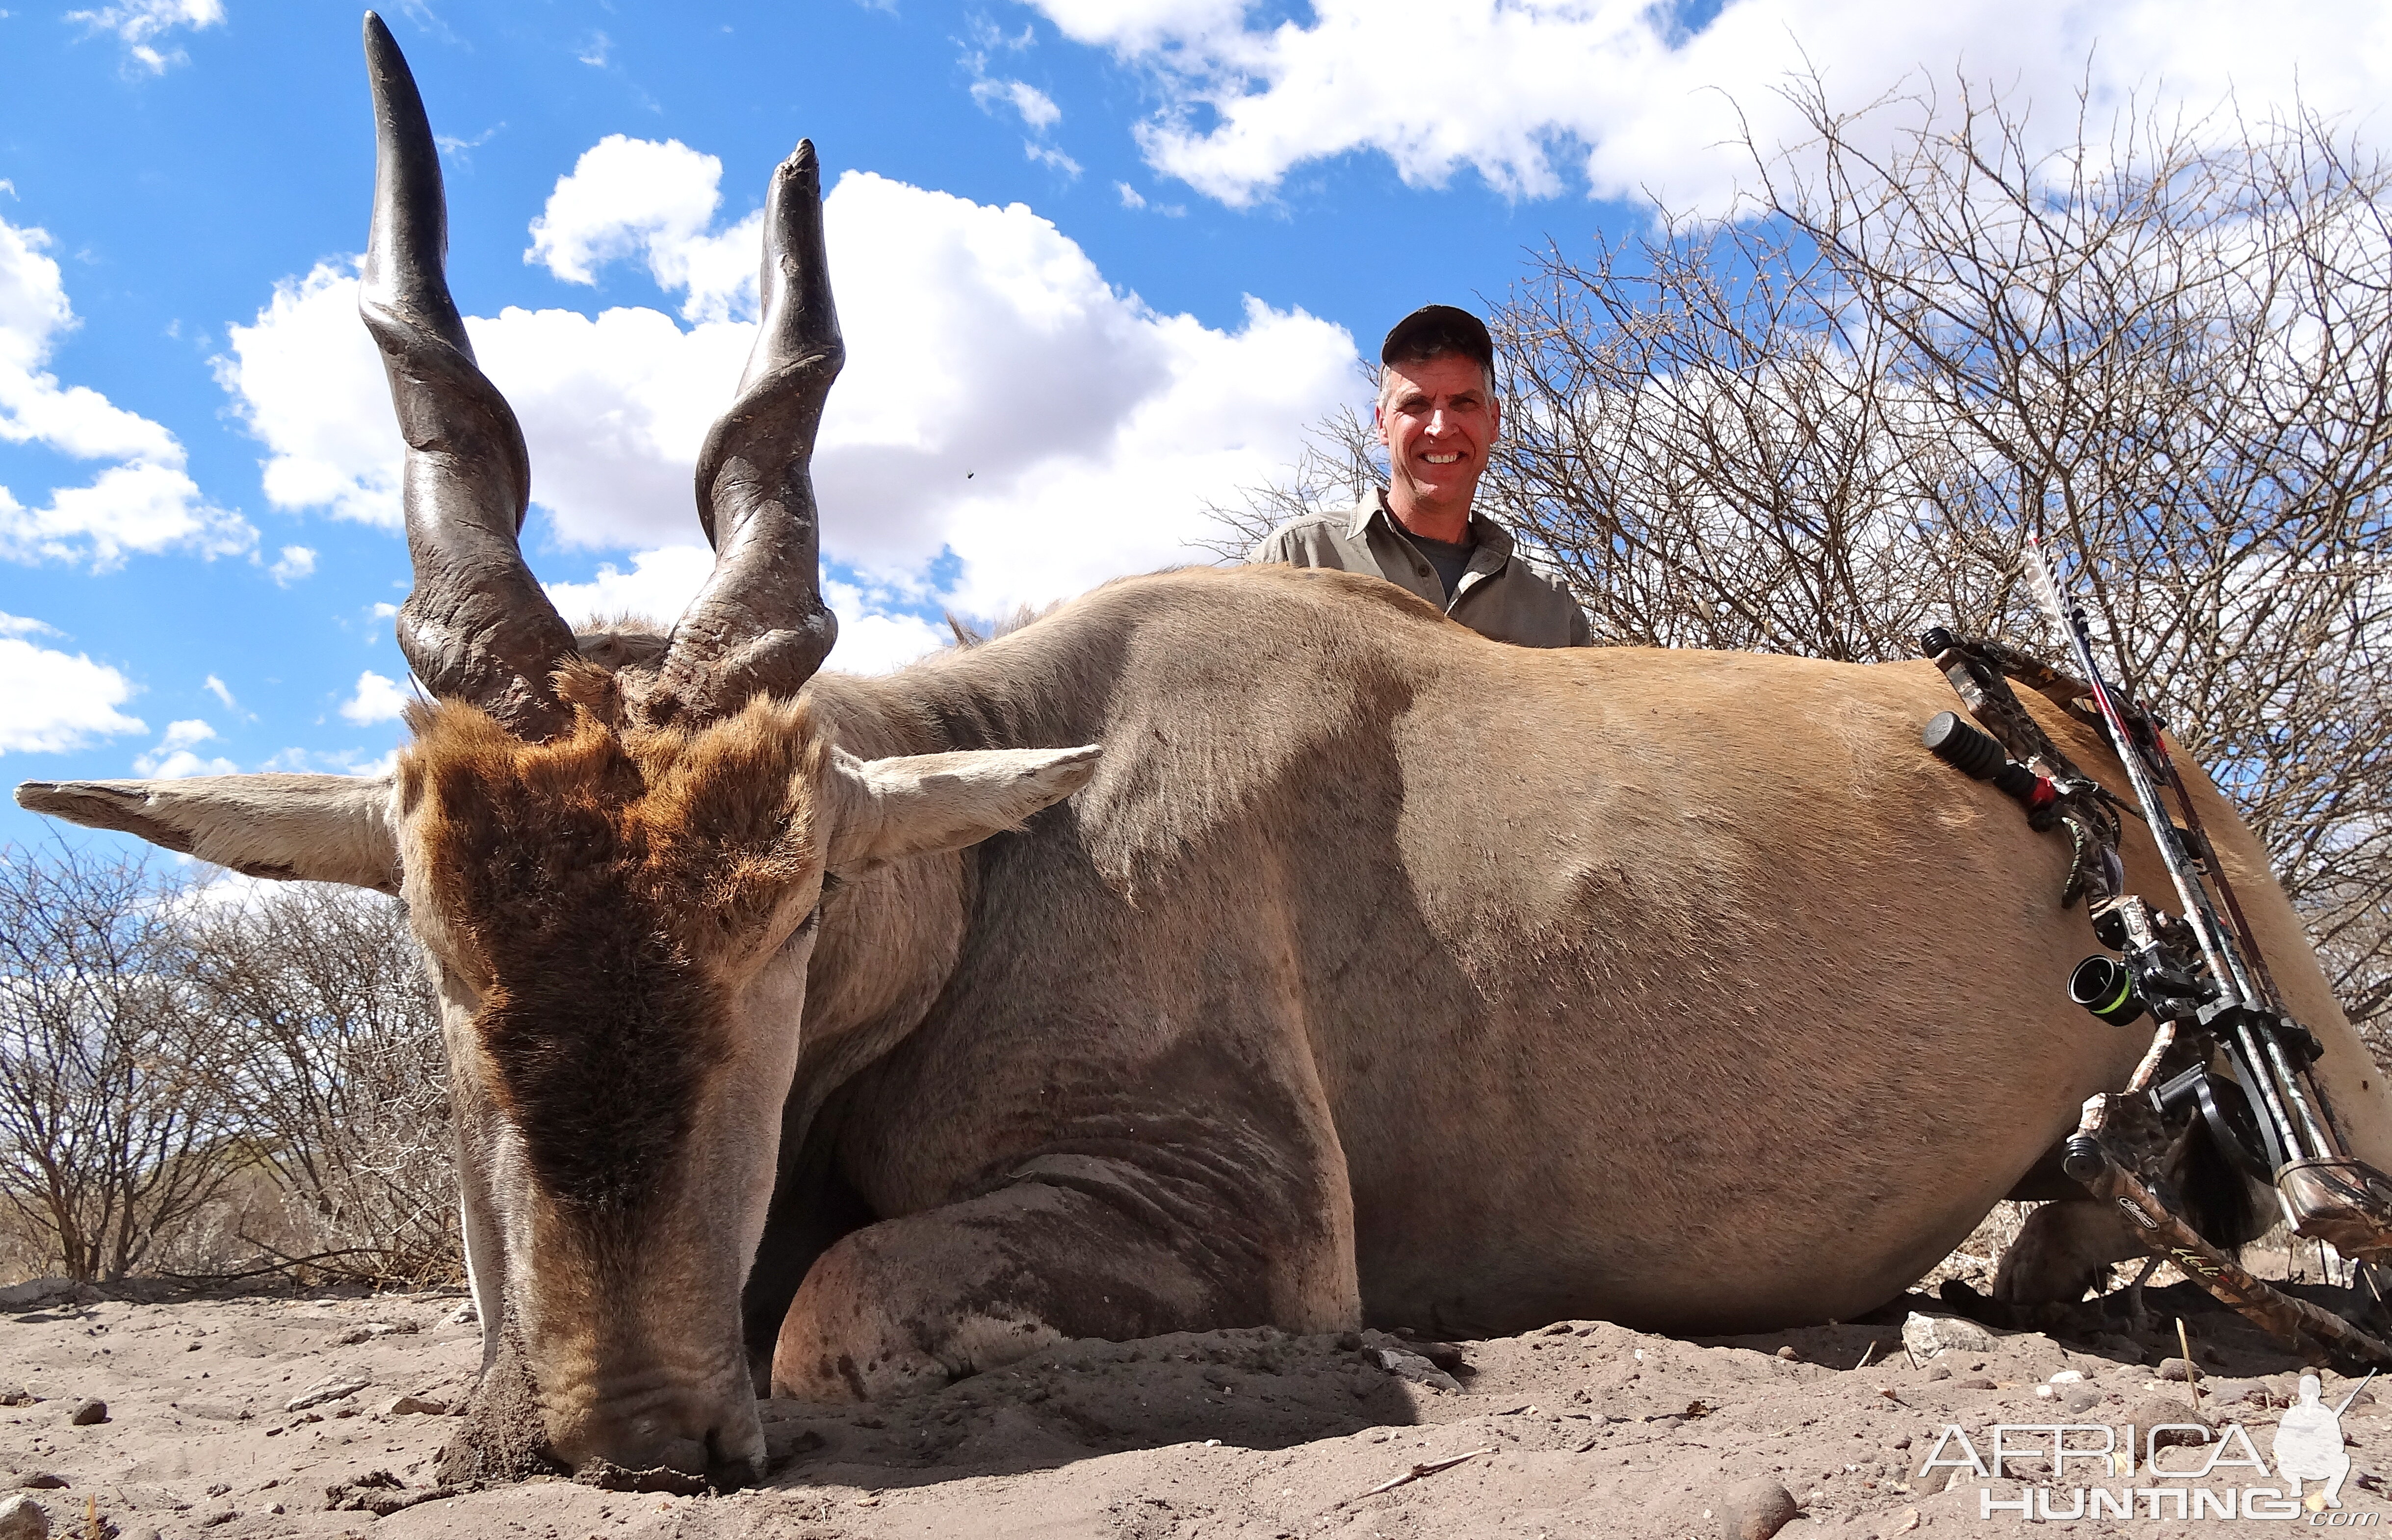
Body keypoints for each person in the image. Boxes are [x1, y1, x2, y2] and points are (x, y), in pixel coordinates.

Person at [1248, 304, 1591, 648]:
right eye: (1416, 405)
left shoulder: (1555, 611)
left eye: (1463, 403)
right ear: (1382, 423)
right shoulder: (1296, 560)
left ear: (1494, 421)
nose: (1441, 428)